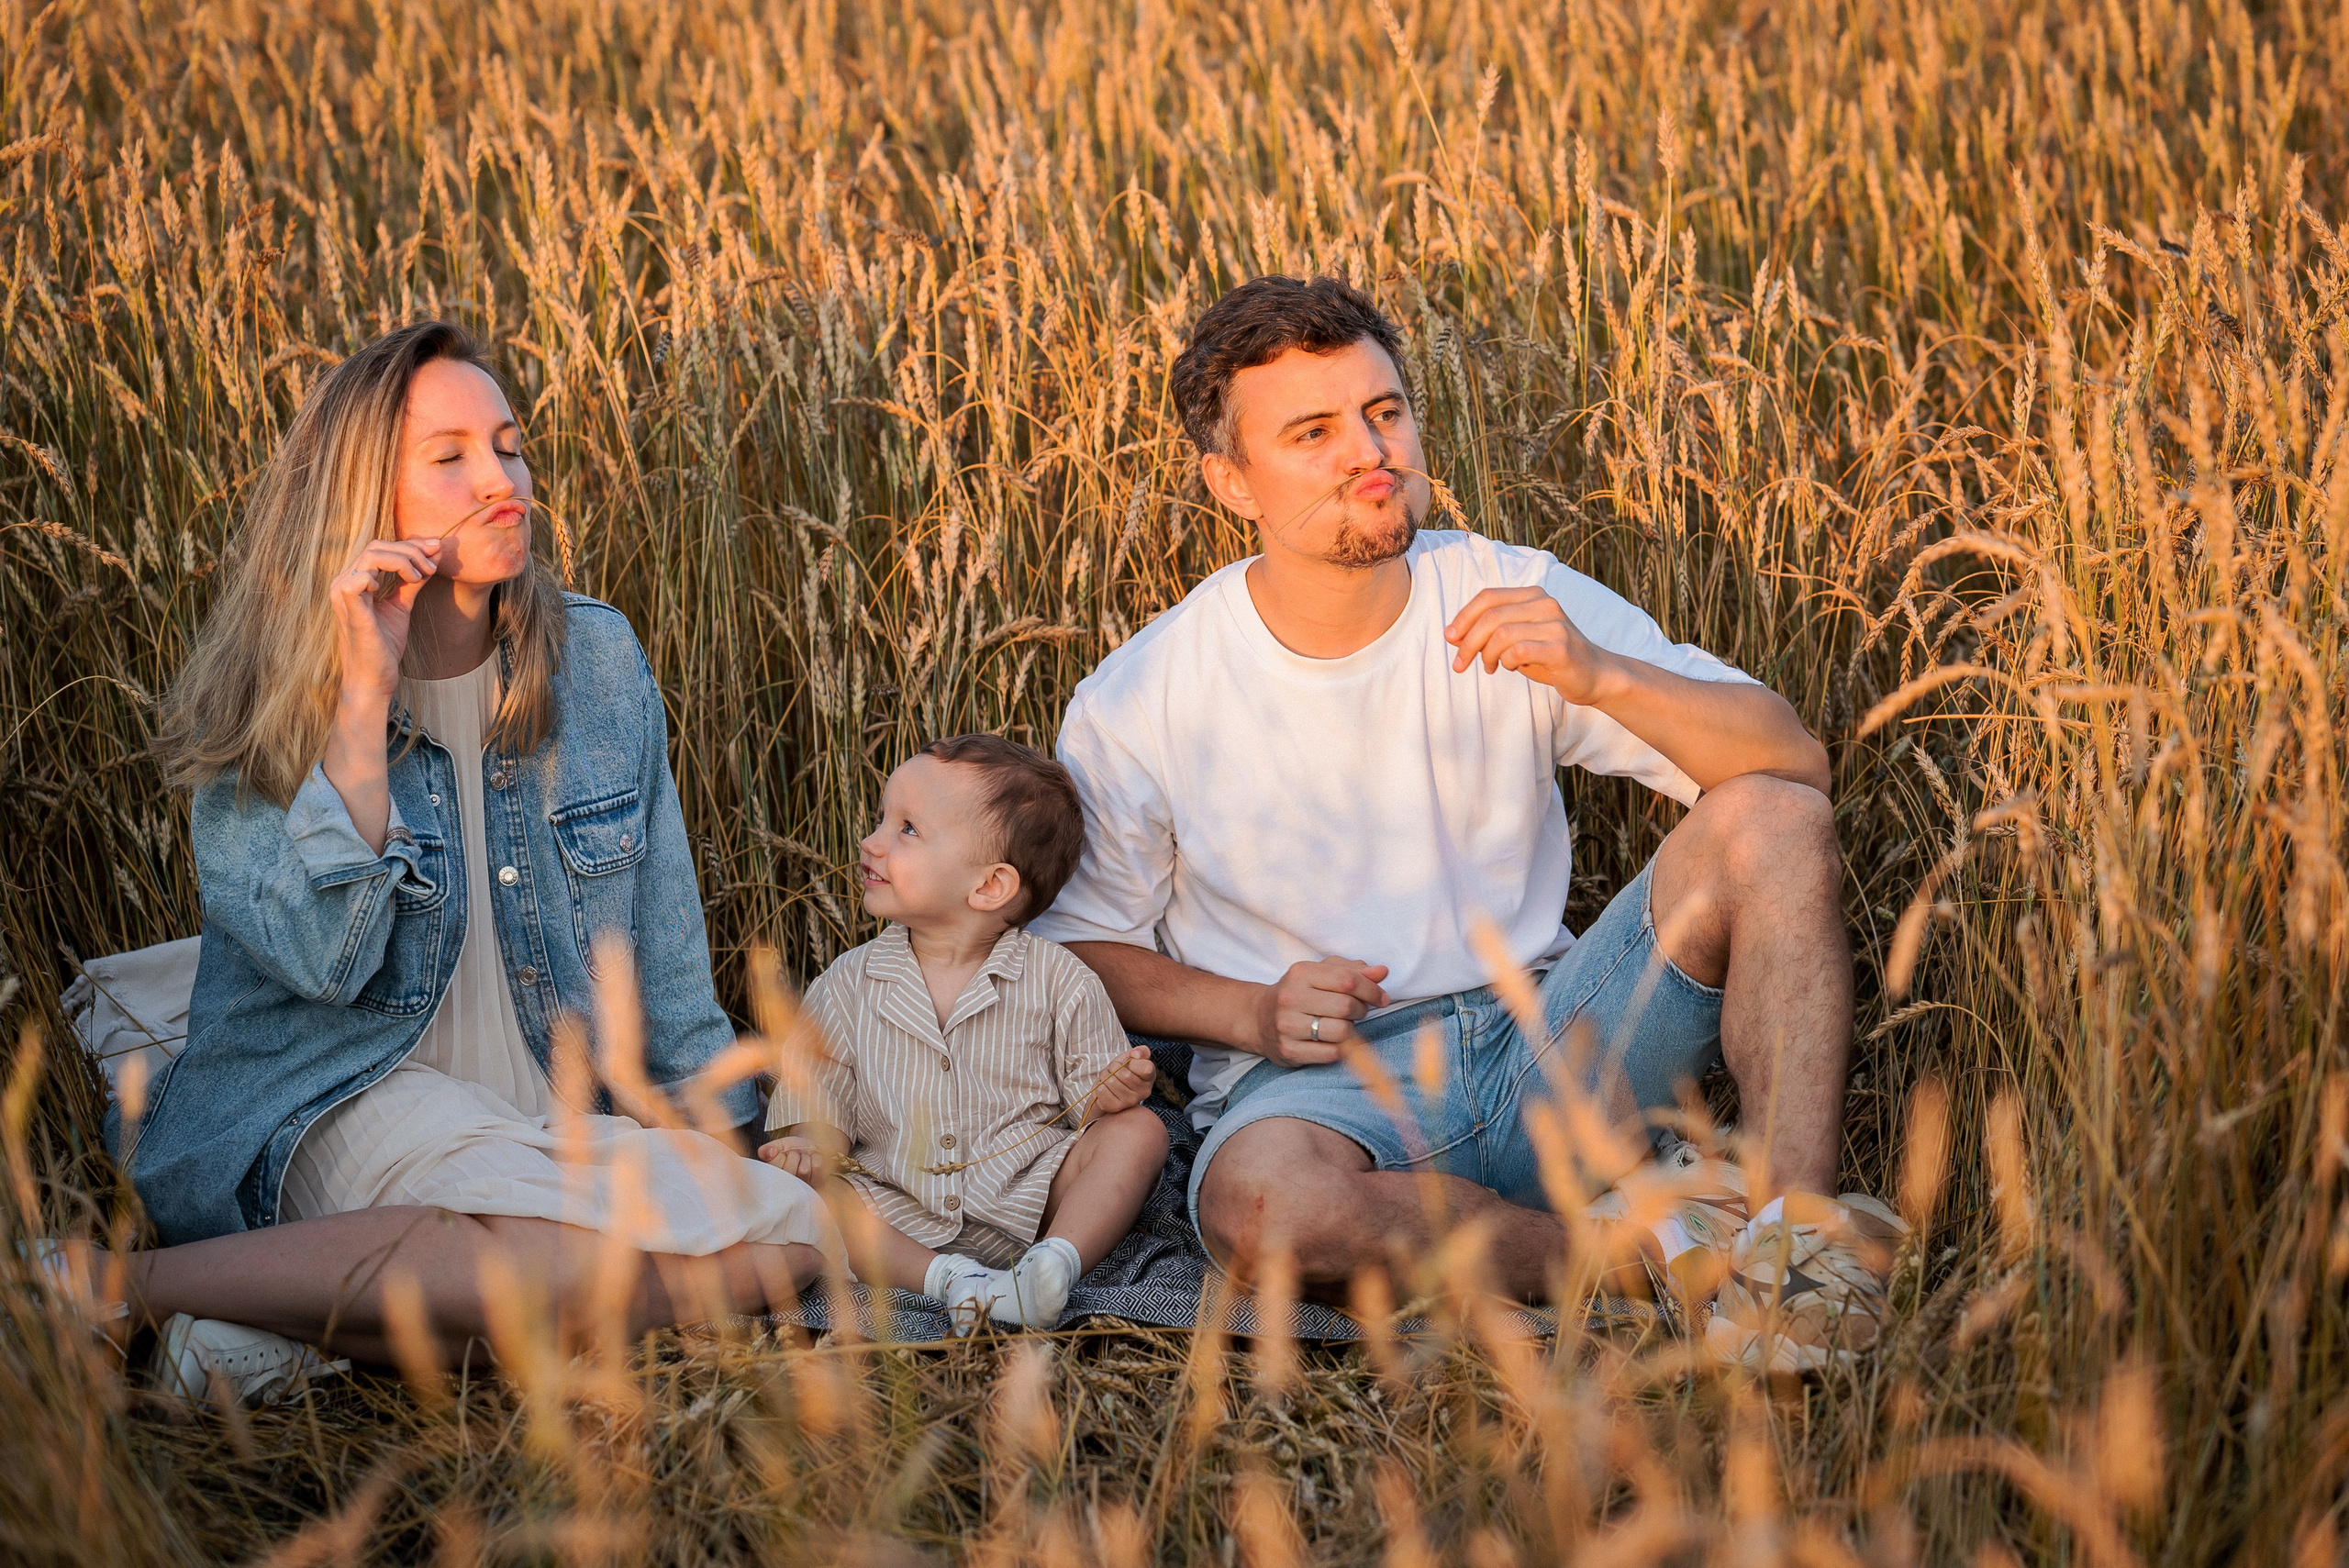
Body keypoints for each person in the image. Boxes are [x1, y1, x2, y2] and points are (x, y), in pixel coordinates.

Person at [1029, 275, 1905, 1373]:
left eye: (1384, 411)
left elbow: (1790, 769)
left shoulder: (1506, 588)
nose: (1371, 450)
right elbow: (1072, 948)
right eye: (1314, 431)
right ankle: (1662, 1249)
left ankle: (1792, 1255)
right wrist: (1249, 1011)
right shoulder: (1146, 692)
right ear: (1231, 482)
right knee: (1261, 1211)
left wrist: (1601, 676)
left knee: (1768, 822)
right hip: (1314, 1093)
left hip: (1551, 1039)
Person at [36, 323, 834, 1402]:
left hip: (551, 1118)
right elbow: (323, 960)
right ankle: (129, 1281)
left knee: (793, 1247)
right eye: (450, 455)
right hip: (343, 1091)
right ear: (371, 494)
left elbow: (663, 937)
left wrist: (725, 1137)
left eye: (508, 445)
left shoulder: (596, 657)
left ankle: (279, 1325)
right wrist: (361, 700)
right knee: (556, 1272)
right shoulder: (277, 692)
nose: (500, 477)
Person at [761, 736, 1168, 1334]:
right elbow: (816, 1104)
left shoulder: (1060, 980)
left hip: (1029, 1195)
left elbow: (1092, 1109)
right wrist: (803, 1146)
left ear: (989, 887)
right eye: (881, 819)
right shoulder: (846, 985)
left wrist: (1114, 1092)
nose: (870, 842)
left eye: (907, 830)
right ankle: (951, 1280)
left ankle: (1055, 1263)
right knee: (815, 1201)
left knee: (1141, 1131)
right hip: (895, 1204)